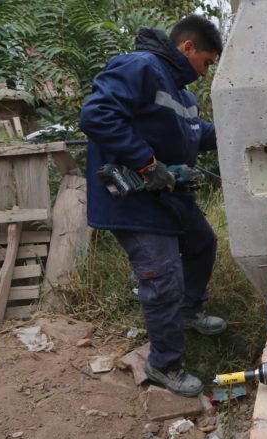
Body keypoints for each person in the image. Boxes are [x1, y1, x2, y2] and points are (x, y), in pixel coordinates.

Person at [80, 15, 226, 397]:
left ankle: (189, 312)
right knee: (163, 280)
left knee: (202, 244)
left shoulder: (183, 95)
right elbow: (96, 116)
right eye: (206, 62)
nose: (206, 72)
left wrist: (244, 127)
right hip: (133, 202)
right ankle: (164, 364)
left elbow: (198, 134)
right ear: (188, 47)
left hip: (167, 198)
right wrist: (147, 163)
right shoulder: (140, 66)